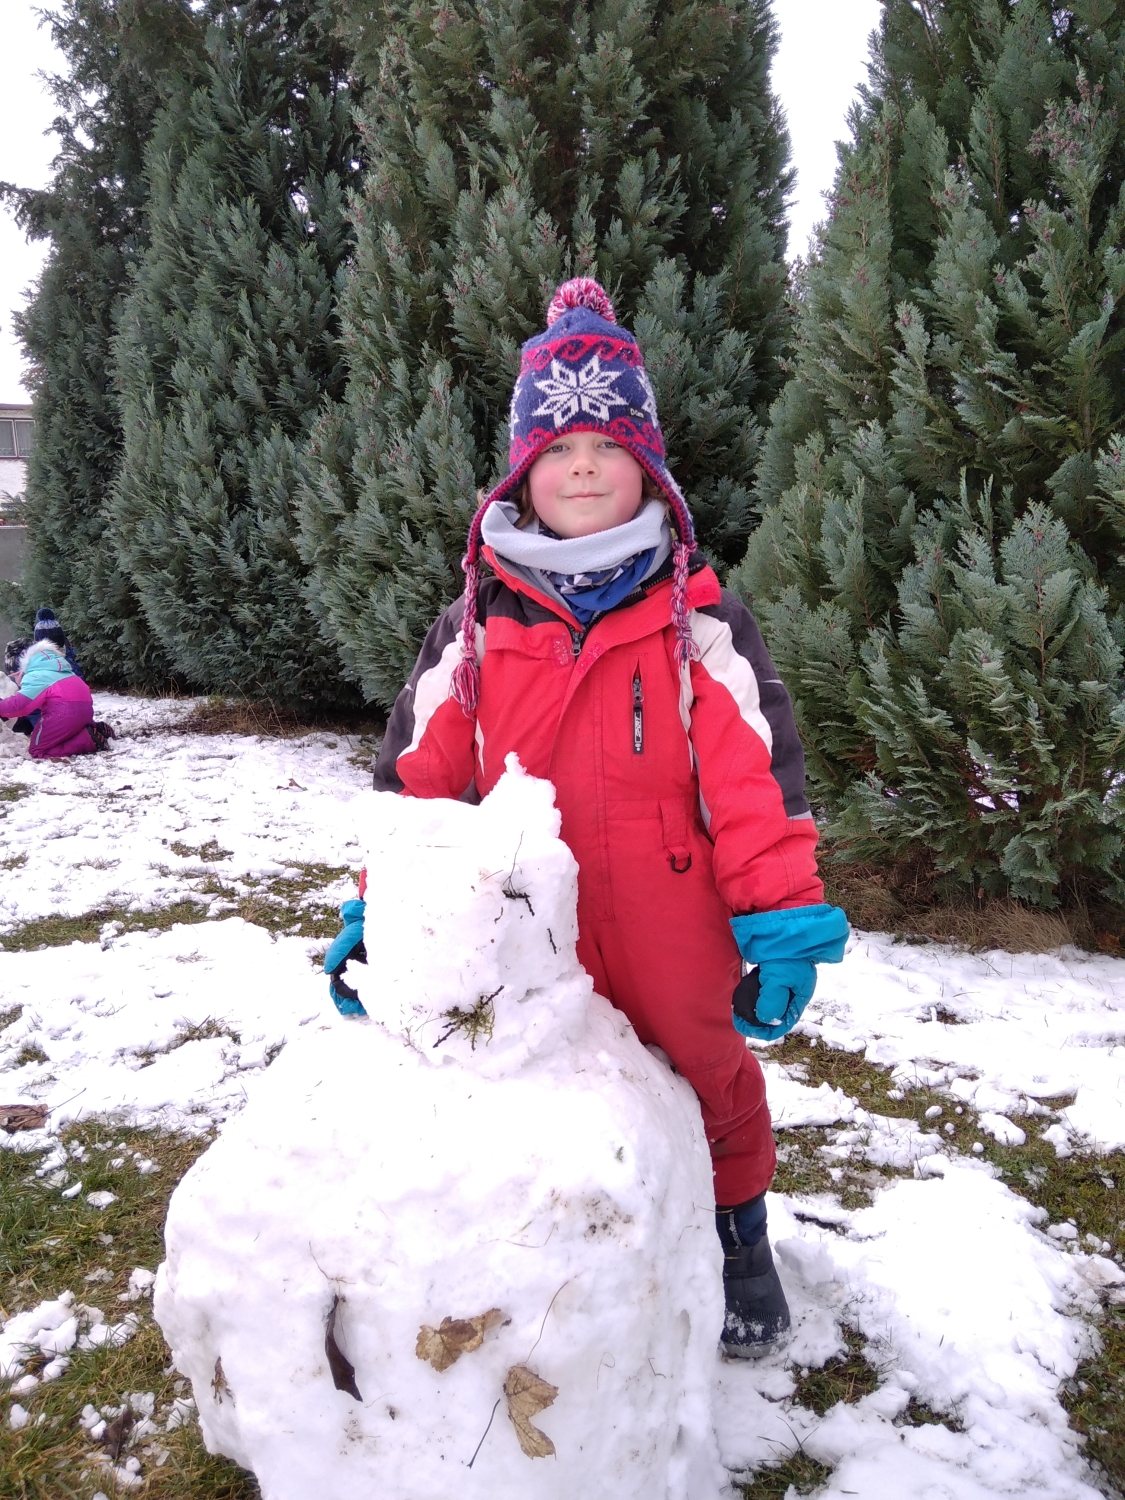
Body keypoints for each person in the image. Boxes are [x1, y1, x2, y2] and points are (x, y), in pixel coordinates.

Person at [328, 279, 848, 1358]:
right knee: (531, 1084)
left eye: (607, 447)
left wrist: (780, 920)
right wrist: (383, 915)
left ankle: (736, 1234)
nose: (581, 467)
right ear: (523, 472)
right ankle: (557, 1264)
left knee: (706, 1070)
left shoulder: (698, 620)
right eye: (557, 448)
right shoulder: (475, 627)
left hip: (672, 918)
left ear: (646, 467)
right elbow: (418, 794)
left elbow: (754, 782)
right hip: (521, 929)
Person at [0, 628, 112, 757]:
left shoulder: (35, 676)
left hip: (63, 713)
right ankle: (95, 730)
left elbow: (21, 705)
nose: (15, 681)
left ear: (20, 670)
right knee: (63, 734)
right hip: (85, 709)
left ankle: (88, 740)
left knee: (38, 750)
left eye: (13, 677)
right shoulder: (57, 668)